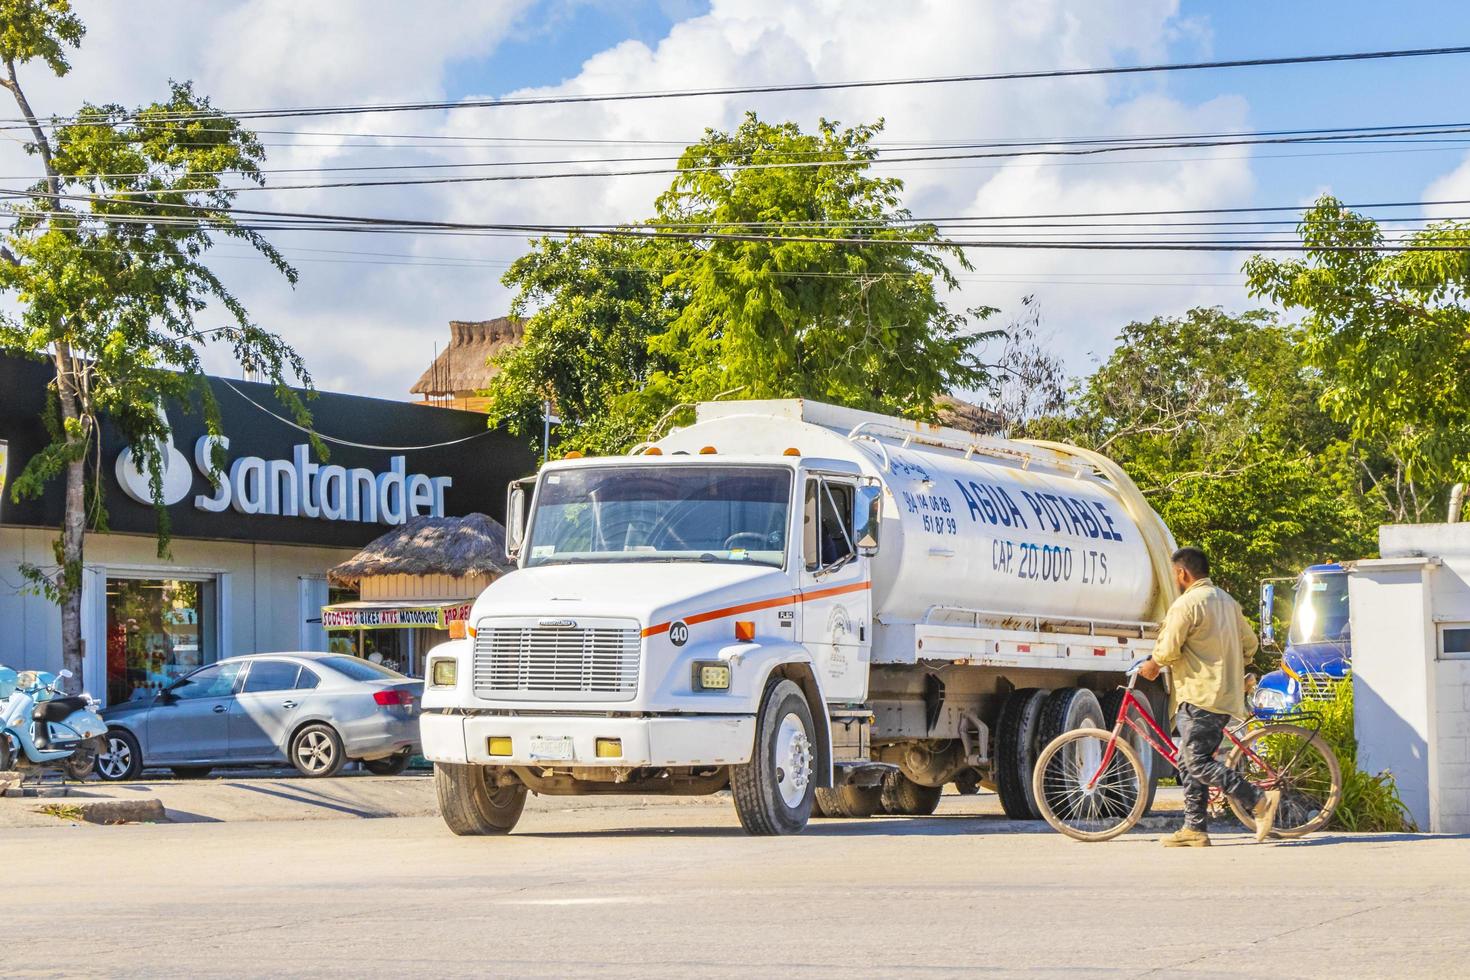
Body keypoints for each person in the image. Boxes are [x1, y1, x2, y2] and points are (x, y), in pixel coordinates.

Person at [1139, 547, 1281, 847]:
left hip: (1200, 695)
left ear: (1182, 573)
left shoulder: (1186, 604)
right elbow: (1250, 644)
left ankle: (1258, 800)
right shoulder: (1228, 602)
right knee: (1188, 760)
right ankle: (1195, 829)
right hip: (1224, 695)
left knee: (1197, 762)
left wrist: (1151, 666)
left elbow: (1166, 650)